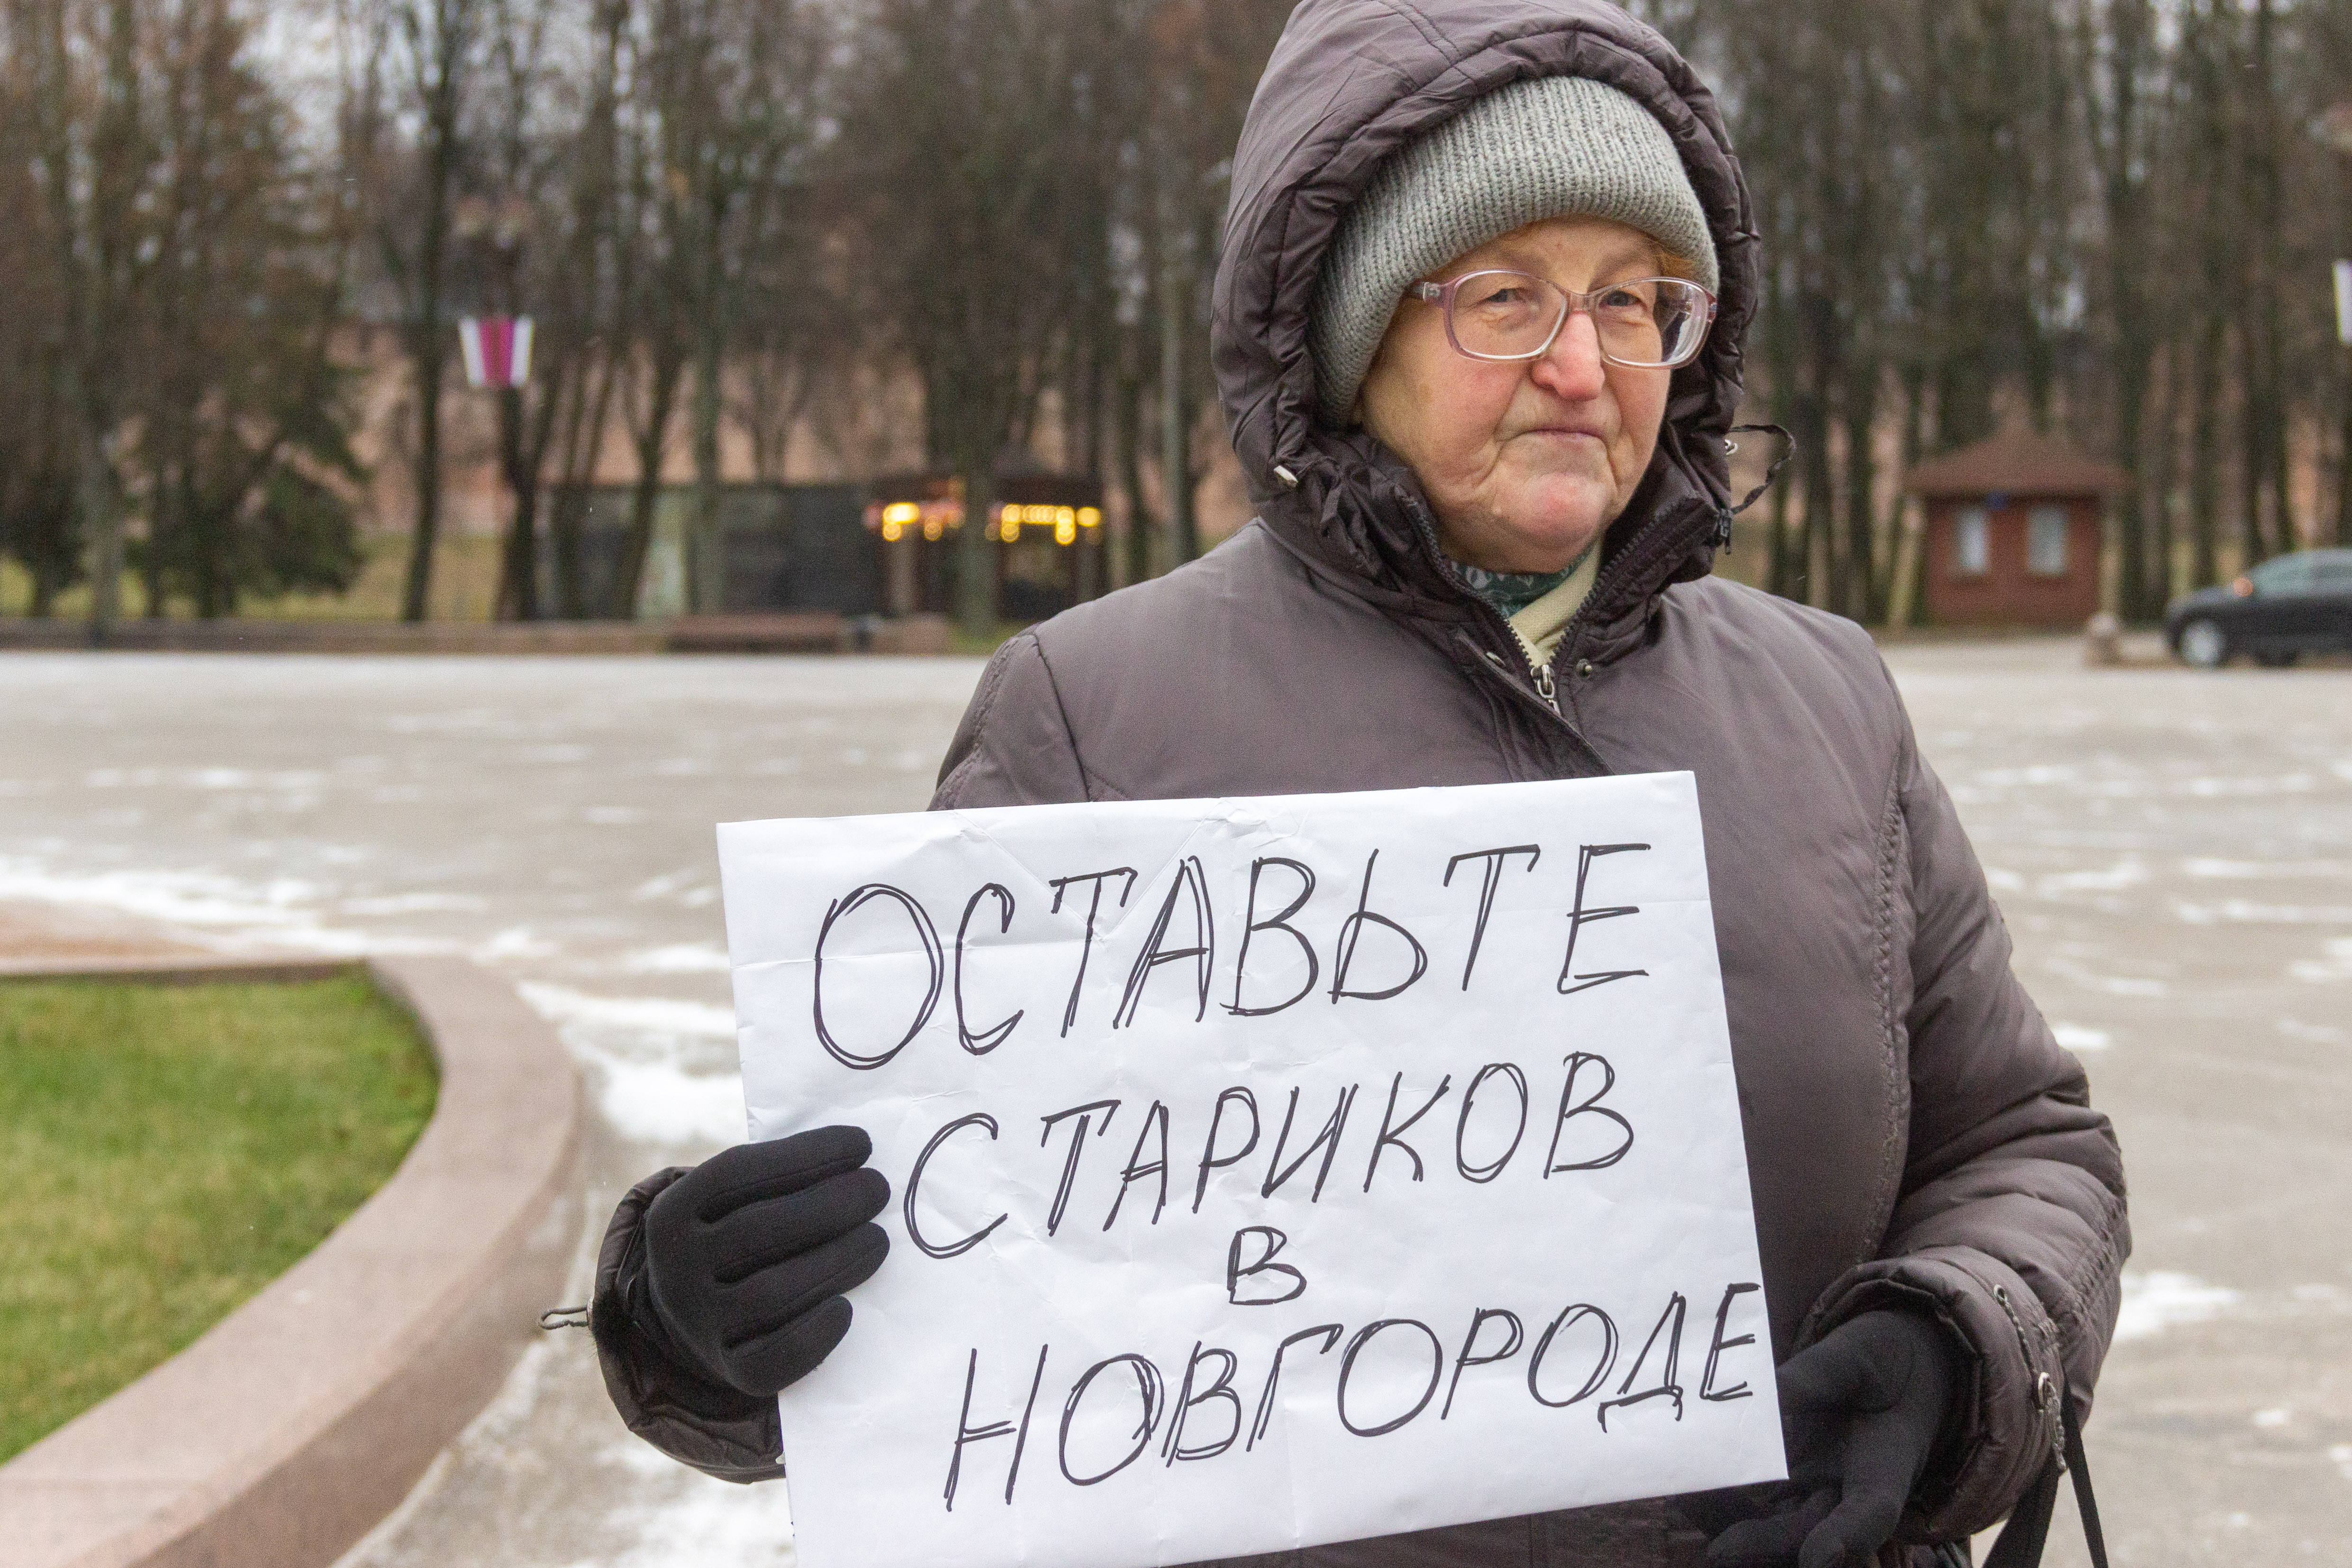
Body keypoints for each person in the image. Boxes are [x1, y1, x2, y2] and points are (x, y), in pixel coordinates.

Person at [585, 2, 2130, 1564]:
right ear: (1351, 328)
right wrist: (697, 1318)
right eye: (1506, 299)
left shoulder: (1828, 699)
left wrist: (1956, 1344)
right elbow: (936, 1262)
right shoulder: (1095, 714)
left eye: (1633, 299)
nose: (1583, 366)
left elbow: (2023, 1140)